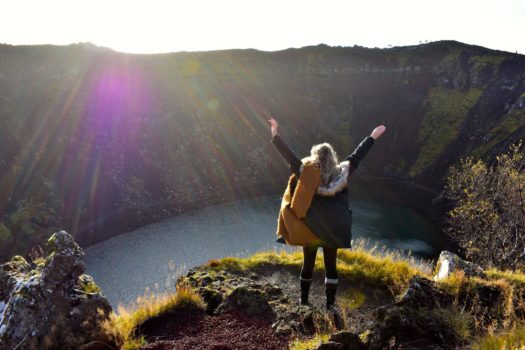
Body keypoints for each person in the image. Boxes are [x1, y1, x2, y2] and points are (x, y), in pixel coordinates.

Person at [268, 117, 386, 309]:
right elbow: (358, 155)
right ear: (333, 157)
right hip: (334, 229)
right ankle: (330, 305)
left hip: (312, 229)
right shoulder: (343, 172)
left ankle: (304, 301)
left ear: (315, 158)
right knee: (331, 267)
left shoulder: (306, 173)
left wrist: (275, 134)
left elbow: (289, 156)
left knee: (308, 264)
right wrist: (372, 136)